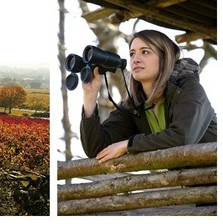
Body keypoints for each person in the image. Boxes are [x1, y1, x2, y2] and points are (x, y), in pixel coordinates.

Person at [80, 29, 217, 163]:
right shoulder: (134, 106)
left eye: (145, 52)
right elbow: (97, 150)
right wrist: (90, 97)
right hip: (191, 182)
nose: (135, 59)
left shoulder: (188, 89)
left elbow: (182, 137)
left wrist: (128, 145)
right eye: (132, 54)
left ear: (165, 58)